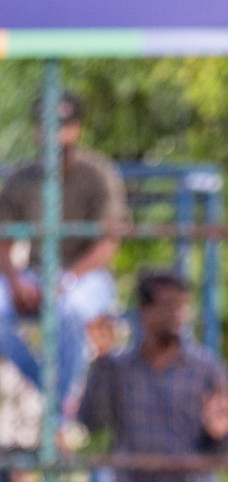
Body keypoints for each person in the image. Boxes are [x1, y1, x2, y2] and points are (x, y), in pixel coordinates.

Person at [0, 91, 127, 412]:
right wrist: (16, 283)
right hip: (36, 273)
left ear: (77, 128)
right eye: (47, 125)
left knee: (70, 310)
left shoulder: (97, 173)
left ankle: (58, 415)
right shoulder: (22, 177)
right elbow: (3, 240)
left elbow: (108, 242)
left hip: (85, 276)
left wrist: (66, 280)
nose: (55, 133)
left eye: (63, 125)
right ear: (36, 130)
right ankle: (52, 397)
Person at [77, 270, 228, 482]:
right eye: (169, 305)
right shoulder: (120, 369)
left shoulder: (205, 370)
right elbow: (91, 420)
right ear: (145, 312)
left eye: (183, 305)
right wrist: (101, 362)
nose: (179, 314)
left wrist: (219, 433)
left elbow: (226, 445)